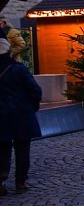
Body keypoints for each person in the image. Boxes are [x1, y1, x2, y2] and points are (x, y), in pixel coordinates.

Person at [0, 38, 42, 195]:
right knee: (22, 148)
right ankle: (20, 182)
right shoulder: (19, 69)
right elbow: (35, 90)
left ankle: (1, 177)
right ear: (9, 51)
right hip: (21, 113)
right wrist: (33, 106)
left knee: (2, 147)